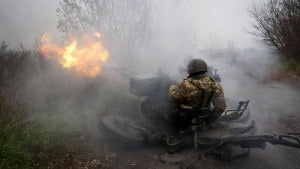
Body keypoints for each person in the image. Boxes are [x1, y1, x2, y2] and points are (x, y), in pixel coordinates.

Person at [168, 58, 226, 131]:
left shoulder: (185, 84)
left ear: (190, 70)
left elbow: (173, 99)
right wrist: (207, 121)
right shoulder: (215, 85)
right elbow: (221, 107)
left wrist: (172, 86)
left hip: (186, 121)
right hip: (204, 119)